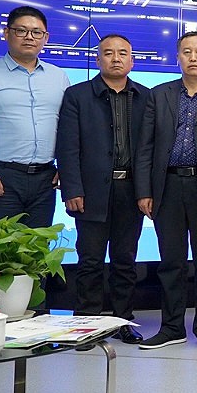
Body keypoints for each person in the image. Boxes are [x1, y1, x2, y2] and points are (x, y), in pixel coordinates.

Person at [134, 32, 197, 351]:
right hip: (167, 187)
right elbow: (145, 147)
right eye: (186, 51)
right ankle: (171, 327)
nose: (193, 57)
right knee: (170, 263)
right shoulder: (159, 94)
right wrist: (144, 191)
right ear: (177, 57)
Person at [55, 34, 150, 344]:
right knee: (90, 261)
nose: (116, 58)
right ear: (98, 60)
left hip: (131, 191)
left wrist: (147, 191)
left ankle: (123, 322)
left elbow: (151, 148)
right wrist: (72, 189)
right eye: (108, 53)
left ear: (132, 61)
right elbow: (68, 147)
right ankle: (86, 326)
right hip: (90, 191)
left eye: (123, 53)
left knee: (125, 261)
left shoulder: (146, 97)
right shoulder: (77, 95)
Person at [0, 6, 69, 228]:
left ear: (45, 38)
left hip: (45, 179)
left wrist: (66, 169)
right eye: (21, 30)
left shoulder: (59, 77)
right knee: (1, 248)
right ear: (7, 33)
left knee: (38, 246)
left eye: (36, 32)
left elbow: (68, 129)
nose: (29, 37)